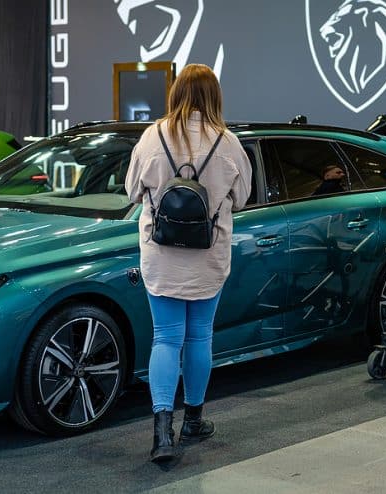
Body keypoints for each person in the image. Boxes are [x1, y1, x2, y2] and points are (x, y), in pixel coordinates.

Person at [125, 64, 252, 463]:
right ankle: (193, 420)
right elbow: (244, 197)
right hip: (208, 255)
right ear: (214, 97)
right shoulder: (228, 142)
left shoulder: (152, 136)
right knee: (199, 336)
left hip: (161, 256)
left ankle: (163, 432)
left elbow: (132, 190)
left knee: (165, 337)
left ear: (176, 93)